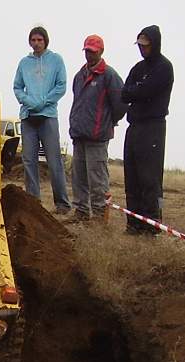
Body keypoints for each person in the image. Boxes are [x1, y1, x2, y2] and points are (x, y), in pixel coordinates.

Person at [121, 25, 174, 235]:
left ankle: (153, 225)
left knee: (149, 178)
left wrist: (137, 92)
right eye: (140, 46)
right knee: (131, 178)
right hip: (134, 127)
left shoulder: (164, 67)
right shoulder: (137, 68)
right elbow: (125, 93)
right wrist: (137, 92)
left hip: (153, 127)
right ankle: (133, 224)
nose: (142, 49)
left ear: (155, 44)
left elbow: (146, 91)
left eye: (146, 46)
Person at [68, 34, 127, 223]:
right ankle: (81, 212)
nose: (89, 55)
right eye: (86, 51)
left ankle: (100, 216)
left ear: (101, 51)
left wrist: (106, 122)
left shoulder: (109, 75)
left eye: (92, 51)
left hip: (97, 137)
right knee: (79, 177)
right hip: (79, 134)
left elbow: (121, 105)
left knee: (97, 179)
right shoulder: (79, 76)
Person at [13, 26, 71, 213]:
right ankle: (33, 202)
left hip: (48, 116)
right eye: (33, 40)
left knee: (54, 161)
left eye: (40, 39)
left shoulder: (56, 60)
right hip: (28, 117)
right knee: (29, 160)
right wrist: (28, 101)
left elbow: (61, 86)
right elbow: (17, 87)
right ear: (30, 42)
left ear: (46, 41)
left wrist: (44, 102)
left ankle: (62, 204)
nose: (36, 43)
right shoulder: (24, 63)